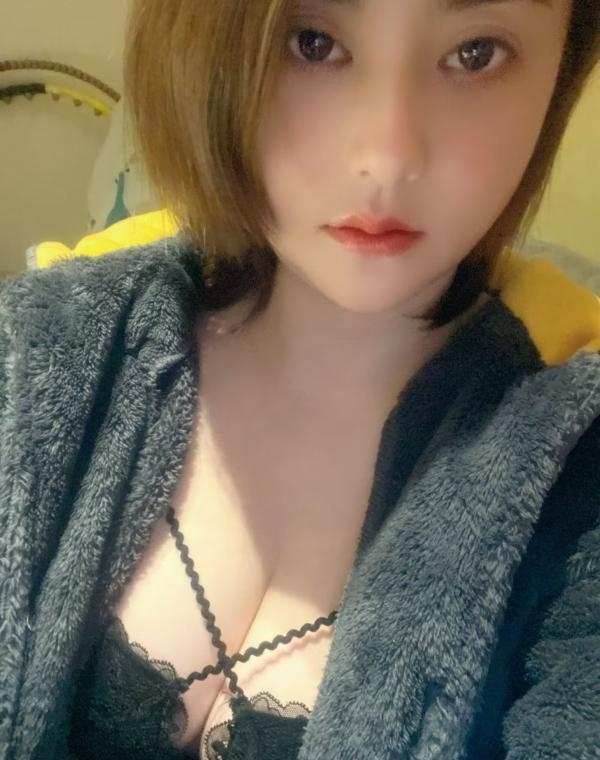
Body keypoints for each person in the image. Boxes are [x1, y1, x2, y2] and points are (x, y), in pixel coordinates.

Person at [1, 0, 600, 759]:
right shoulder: (44, 347)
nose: (386, 158)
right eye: (312, 43)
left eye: (475, 53)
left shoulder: (574, 484)